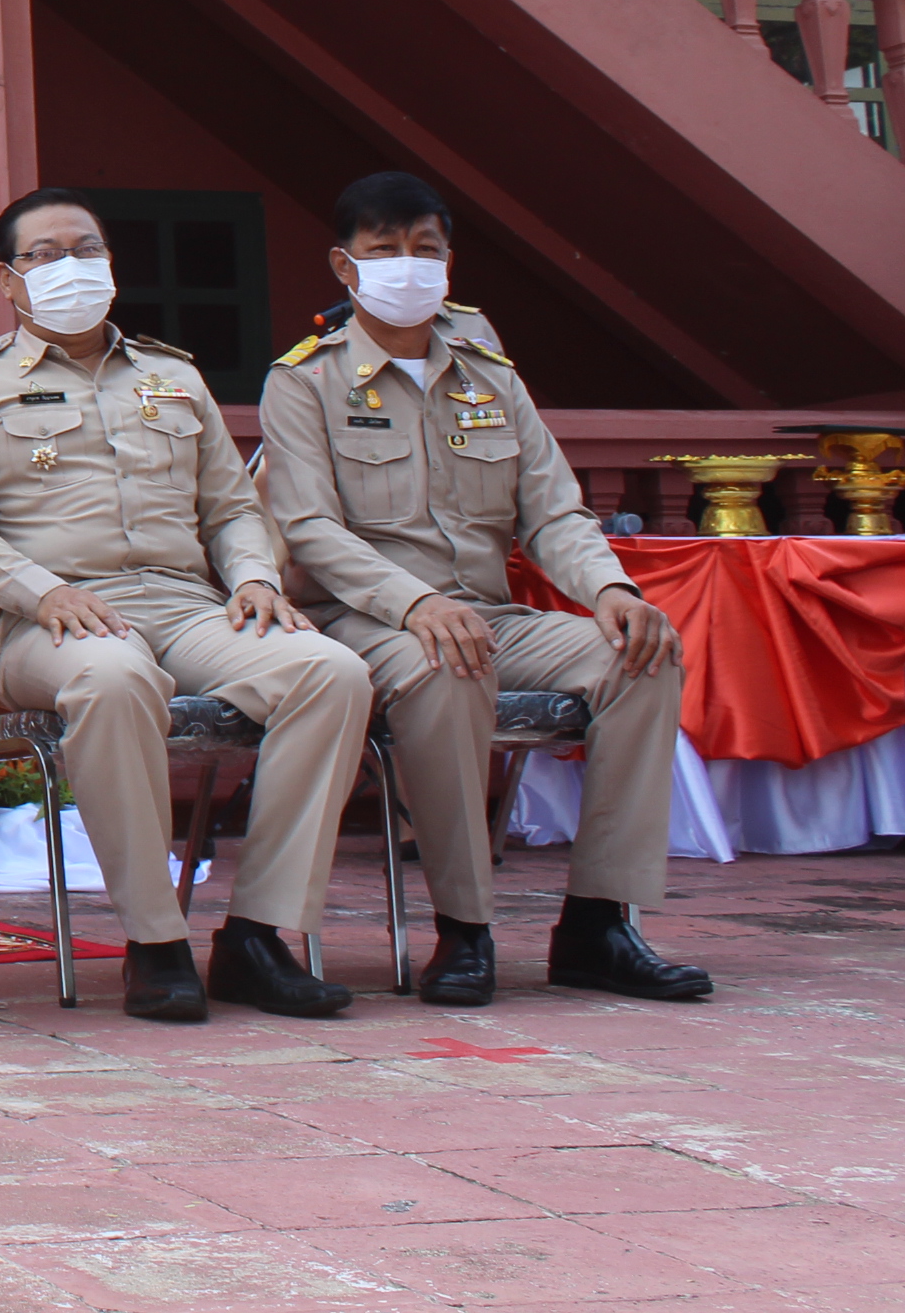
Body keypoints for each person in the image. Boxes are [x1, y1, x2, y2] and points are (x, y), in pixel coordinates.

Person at [0, 188, 375, 1022]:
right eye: (45, 256)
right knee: (113, 679)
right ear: (8, 281)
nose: (70, 268)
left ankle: (256, 936)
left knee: (329, 671)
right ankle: (155, 942)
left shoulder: (174, 374)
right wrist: (42, 590)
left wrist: (254, 579)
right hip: (47, 618)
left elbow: (232, 507)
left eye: (86, 251)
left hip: (187, 603)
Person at [259, 170, 708, 1005]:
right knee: (446, 665)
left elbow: (554, 510)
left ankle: (599, 924)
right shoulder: (305, 380)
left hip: (491, 612)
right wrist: (417, 605)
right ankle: (465, 932)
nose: (406, 266)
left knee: (642, 655)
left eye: (423, 250)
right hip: (365, 617)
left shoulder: (490, 375)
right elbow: (312, 532)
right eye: (383, 251)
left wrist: (610, 590)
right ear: (343, 267)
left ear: (449, 262)